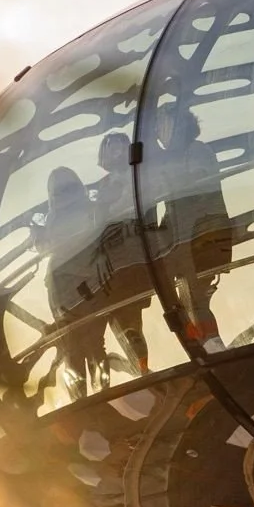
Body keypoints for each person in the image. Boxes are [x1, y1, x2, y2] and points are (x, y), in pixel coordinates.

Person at [153, 97, 232, 351]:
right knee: (191, 301)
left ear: (178, 126)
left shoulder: (197, 151)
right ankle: (206, 344)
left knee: (195, 300)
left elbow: (195, 189)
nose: (159, 133)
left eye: (162, 126)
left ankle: (212, 347)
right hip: (188, 238)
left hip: (201, 235)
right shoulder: (181, 156)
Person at [38, 166, 108, 397]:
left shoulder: (54, 218)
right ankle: (99, 395)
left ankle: (83, 402)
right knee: (93, 343)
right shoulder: (91, 209)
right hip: (86, 286)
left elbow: (48, 246)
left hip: (65, 289)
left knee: (73, 347)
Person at [94, 129, 152, 374]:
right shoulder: (105, 185)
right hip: (111, 264)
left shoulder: (137, 177)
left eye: (119, 146)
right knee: (122, 322)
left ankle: (140, 369)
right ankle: (137, 368)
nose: (115, 151)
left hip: (130, 262)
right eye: (111, 147)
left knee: (129, 323)